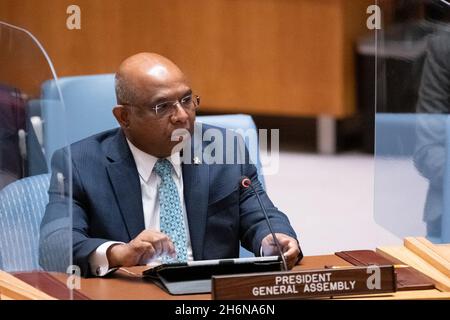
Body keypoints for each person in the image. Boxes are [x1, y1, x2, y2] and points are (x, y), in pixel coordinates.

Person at [39, 53, 302, 277]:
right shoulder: (80, 163)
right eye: (162, 107)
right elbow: (54, 245)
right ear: (124, 116)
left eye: (187, 100)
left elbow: (260, 215)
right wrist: (119, 253)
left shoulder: (223, 149)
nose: (182, 116)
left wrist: (273, 237)